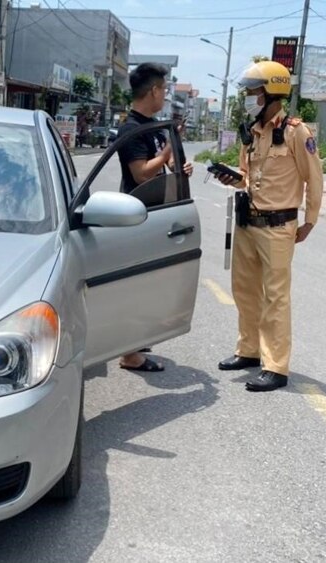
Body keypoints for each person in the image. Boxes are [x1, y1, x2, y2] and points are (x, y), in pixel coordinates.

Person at [212, 61, 324, 392]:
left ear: (271, 92)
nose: (248, 97)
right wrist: (232, 178)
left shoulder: (295, 132)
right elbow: (247, 177)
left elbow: (313, 178)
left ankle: (276, 366)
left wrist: (310, 221)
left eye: (252, 91)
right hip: (248, 223)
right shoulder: (253, 132)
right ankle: (248, 350)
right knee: (244, 290)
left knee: (276, 297)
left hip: (278, 226)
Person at [115, 62, 194, 373]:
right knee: (136, 285)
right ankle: (129, 354)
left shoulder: (152, 127)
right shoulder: (132, 130)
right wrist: (164, 155)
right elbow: (141, 173)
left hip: (152, 215)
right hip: (135, 216)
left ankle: (133, 340)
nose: (165, 94)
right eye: (163, 89)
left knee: (147, 283)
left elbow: (162, 167)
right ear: (153, 91)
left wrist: (178, 165)